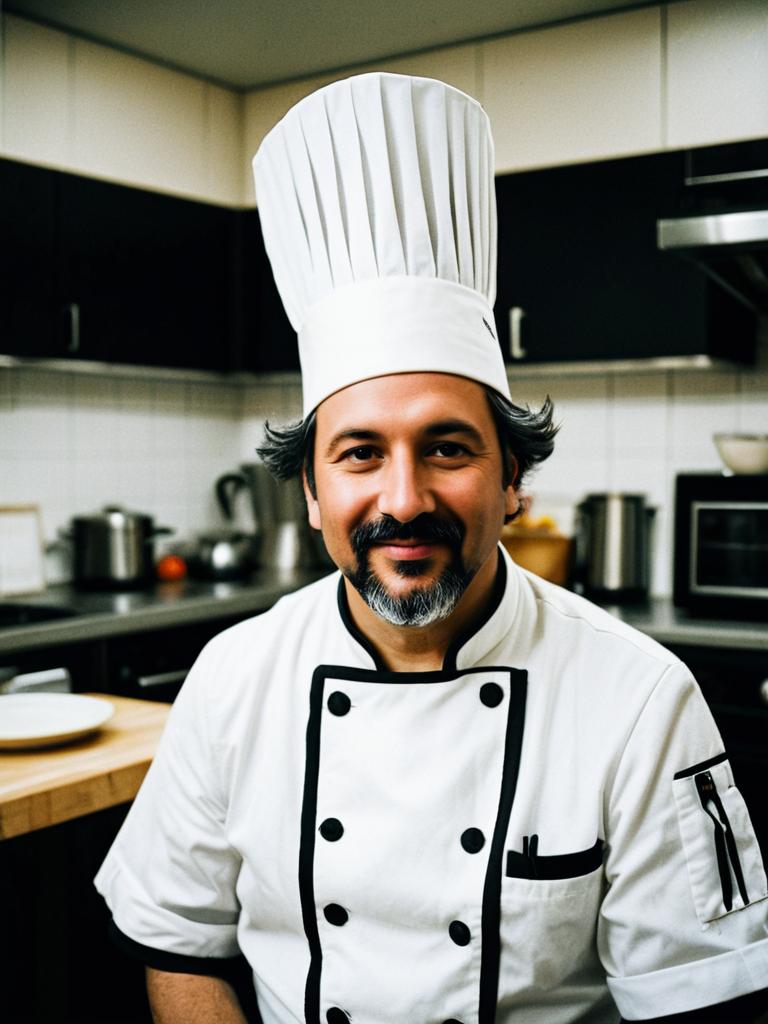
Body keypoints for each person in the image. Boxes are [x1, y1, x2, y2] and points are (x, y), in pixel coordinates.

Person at [95, 73, 768, 1024]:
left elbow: (699, 1000)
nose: (403, 500)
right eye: (360, 453)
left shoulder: (640, 699)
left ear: (511, 482)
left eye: (448, 448)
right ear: (314, 491)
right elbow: (179, 944)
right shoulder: (232, 679)